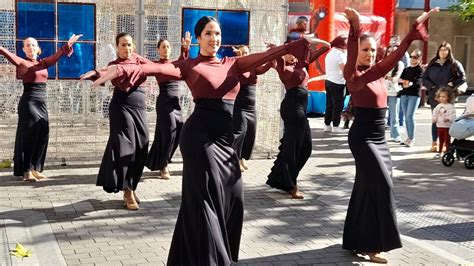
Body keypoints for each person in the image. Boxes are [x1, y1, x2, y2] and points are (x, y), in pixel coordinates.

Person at [88, 16, 323, 265]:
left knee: (234, 197)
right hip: (199, 140)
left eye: (218, 33)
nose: (214, 38)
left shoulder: (233, 63)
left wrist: (292, 45)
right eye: (209, 34)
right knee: (205, 203)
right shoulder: (190, 65)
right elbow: (154, 68)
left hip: (224, 142)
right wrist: (120, 68)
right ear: (199, 38)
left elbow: (264, 57)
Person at [341, 7, 438, 264]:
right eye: (365, 49)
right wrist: (355, 28)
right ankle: (373, 244)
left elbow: (394, 57)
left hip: (380, 137)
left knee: (365, 187)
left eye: (373, 50)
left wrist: (410, 34)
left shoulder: (378, 72)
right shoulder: (354, 75)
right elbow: (357, 54)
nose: (370, 54)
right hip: (362, 137)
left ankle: (355, 240)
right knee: (381, 185)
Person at [81, 32, 154, 211]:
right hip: (121, 108)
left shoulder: (138, 60)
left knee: (142, 146)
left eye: (129, 44)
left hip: (140, 108)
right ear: (117, 46)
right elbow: (106, 71)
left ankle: (132, 185)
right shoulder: (114, 64)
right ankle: (127, 190)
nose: (126, 48)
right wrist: (95, 72)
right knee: (125, 147)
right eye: (122, 45)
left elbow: (158, 68)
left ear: (133, 46)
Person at [0, 34, 81, 181]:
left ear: (38, 49)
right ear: (24, 50)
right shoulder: (22, 63)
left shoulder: (43, 63)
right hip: (29, 102)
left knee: (43, 134)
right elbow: (6, 53)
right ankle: (26, 171)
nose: (30, 47)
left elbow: (57, 56)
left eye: (33, 45)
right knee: (29, 136)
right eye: (27, 45)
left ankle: (35, 167)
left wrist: (68, 44)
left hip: (42, 102)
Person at [267, 39, 330, 199]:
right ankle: (292, 185)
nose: (292, 55)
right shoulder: (283, 66)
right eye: (288, 52)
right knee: (294, 148)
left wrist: (308, 41)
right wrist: (280, 50)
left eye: (294, 51)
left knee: (304, 148)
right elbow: (278, 57)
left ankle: (283, 180)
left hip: (299, 109)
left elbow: (326, 47)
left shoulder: (301, 63)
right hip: (292, 109)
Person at [145, 33, 190, 179]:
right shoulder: (156, 65)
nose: (166, 49)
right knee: (169, 133)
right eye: (163, 47)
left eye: (168, 47)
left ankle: (162, 161)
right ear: (158, 50)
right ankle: (163, 166)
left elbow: (183, 62)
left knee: (179, 132)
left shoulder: (174, 64)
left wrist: (185, 49)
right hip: (164, 103)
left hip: (176, 104)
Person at [232, 45, 274, 172]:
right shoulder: (236, 66)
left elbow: (265, 67)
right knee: (240, 132)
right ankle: (235, 159)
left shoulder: (254, 67)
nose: (245, 55)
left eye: (247, 53)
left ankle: (242, 158)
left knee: (250, 133)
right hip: (239, 106)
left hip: (251, 107)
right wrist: (238, 58)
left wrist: (273, 55)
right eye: (243, 53)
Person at [422, 41, 466, 152]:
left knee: (448, 120)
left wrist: (452, 84)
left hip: (448, 97)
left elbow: (462, 77)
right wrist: (431, 87)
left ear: (449, 51)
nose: (443, 52)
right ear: (438, 51)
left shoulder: (454, 64)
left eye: (445, 50)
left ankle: (447, 144)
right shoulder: (432, 63)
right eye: (441, 49)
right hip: (434, 96)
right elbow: (424, 78)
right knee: (435, 119)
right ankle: (434, 143)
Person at [399, 49, 424, 147]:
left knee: (410, 116)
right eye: (411, 57)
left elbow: (417, 83)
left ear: (419, 58)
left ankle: (412, 138)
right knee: (406, 117)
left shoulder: (420, 70)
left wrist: (407, 83)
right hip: (404, 94)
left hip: (414, 95)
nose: (412, 59)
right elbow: (399, 79)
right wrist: (406, 83)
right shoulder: (406, 69)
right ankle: (409, 137)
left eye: (415, 57)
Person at [323, 35, 347, 132]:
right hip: (338, 82)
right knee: (338, 105)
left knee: (329, 104)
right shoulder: (340, 55)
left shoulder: (330, 53)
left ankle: (327, 125)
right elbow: (344, 70)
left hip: (328, 81)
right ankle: (336, 126)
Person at [384, 45, 405, 142]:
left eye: (393, 51)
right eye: (389, 51)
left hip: (393, 92)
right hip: (382, 91)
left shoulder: (400, 64)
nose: (390, 53)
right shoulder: (382, 62)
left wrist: (387, 78)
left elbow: (396, 78)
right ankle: (377, 134)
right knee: (380, 114)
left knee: (394, 115)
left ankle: (395, 135)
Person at [432, 87, 456, 156]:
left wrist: (449, 118)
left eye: (444, 96)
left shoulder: (450, 106)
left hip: (447, 126)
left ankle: (447, 152)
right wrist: (434, 119)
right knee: (441, 139)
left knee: (447, 140)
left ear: (448, 97)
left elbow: (453, 116)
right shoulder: (438, 106)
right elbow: (435, 113)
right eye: (440, 96)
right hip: (439, 126)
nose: (441, 98)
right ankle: (440, 151)